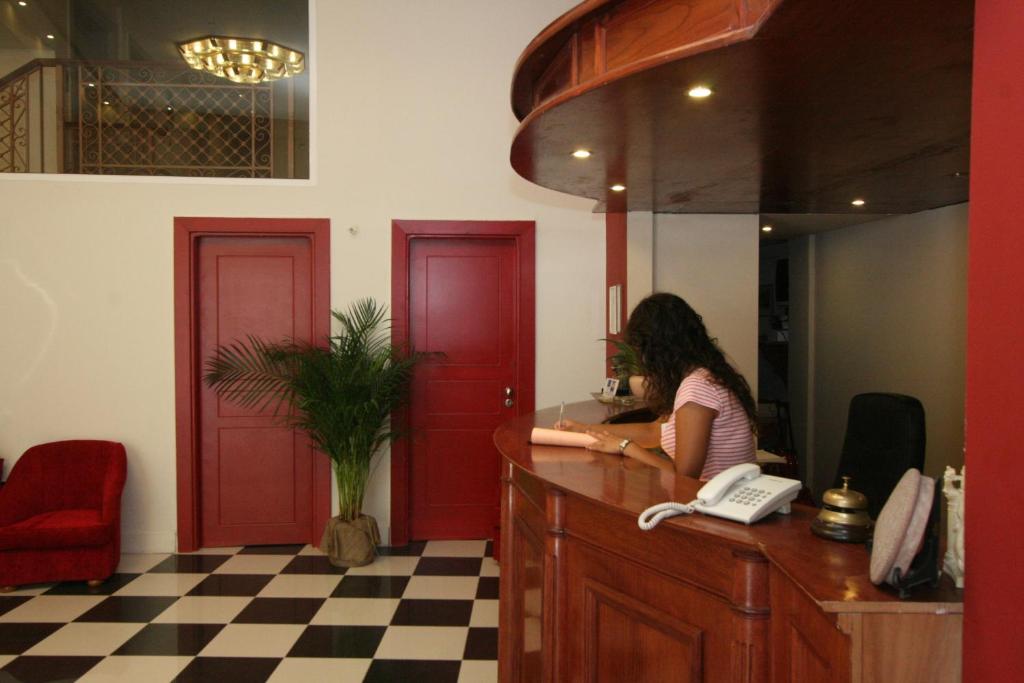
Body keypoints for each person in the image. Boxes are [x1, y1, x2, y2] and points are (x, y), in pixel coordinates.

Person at [556, 293, 756, 480]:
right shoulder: (705, 376)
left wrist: (625, 447)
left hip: (717, 508)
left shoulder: (697, 388)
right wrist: (584, 429)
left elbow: (684, 477)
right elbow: (654, 432)